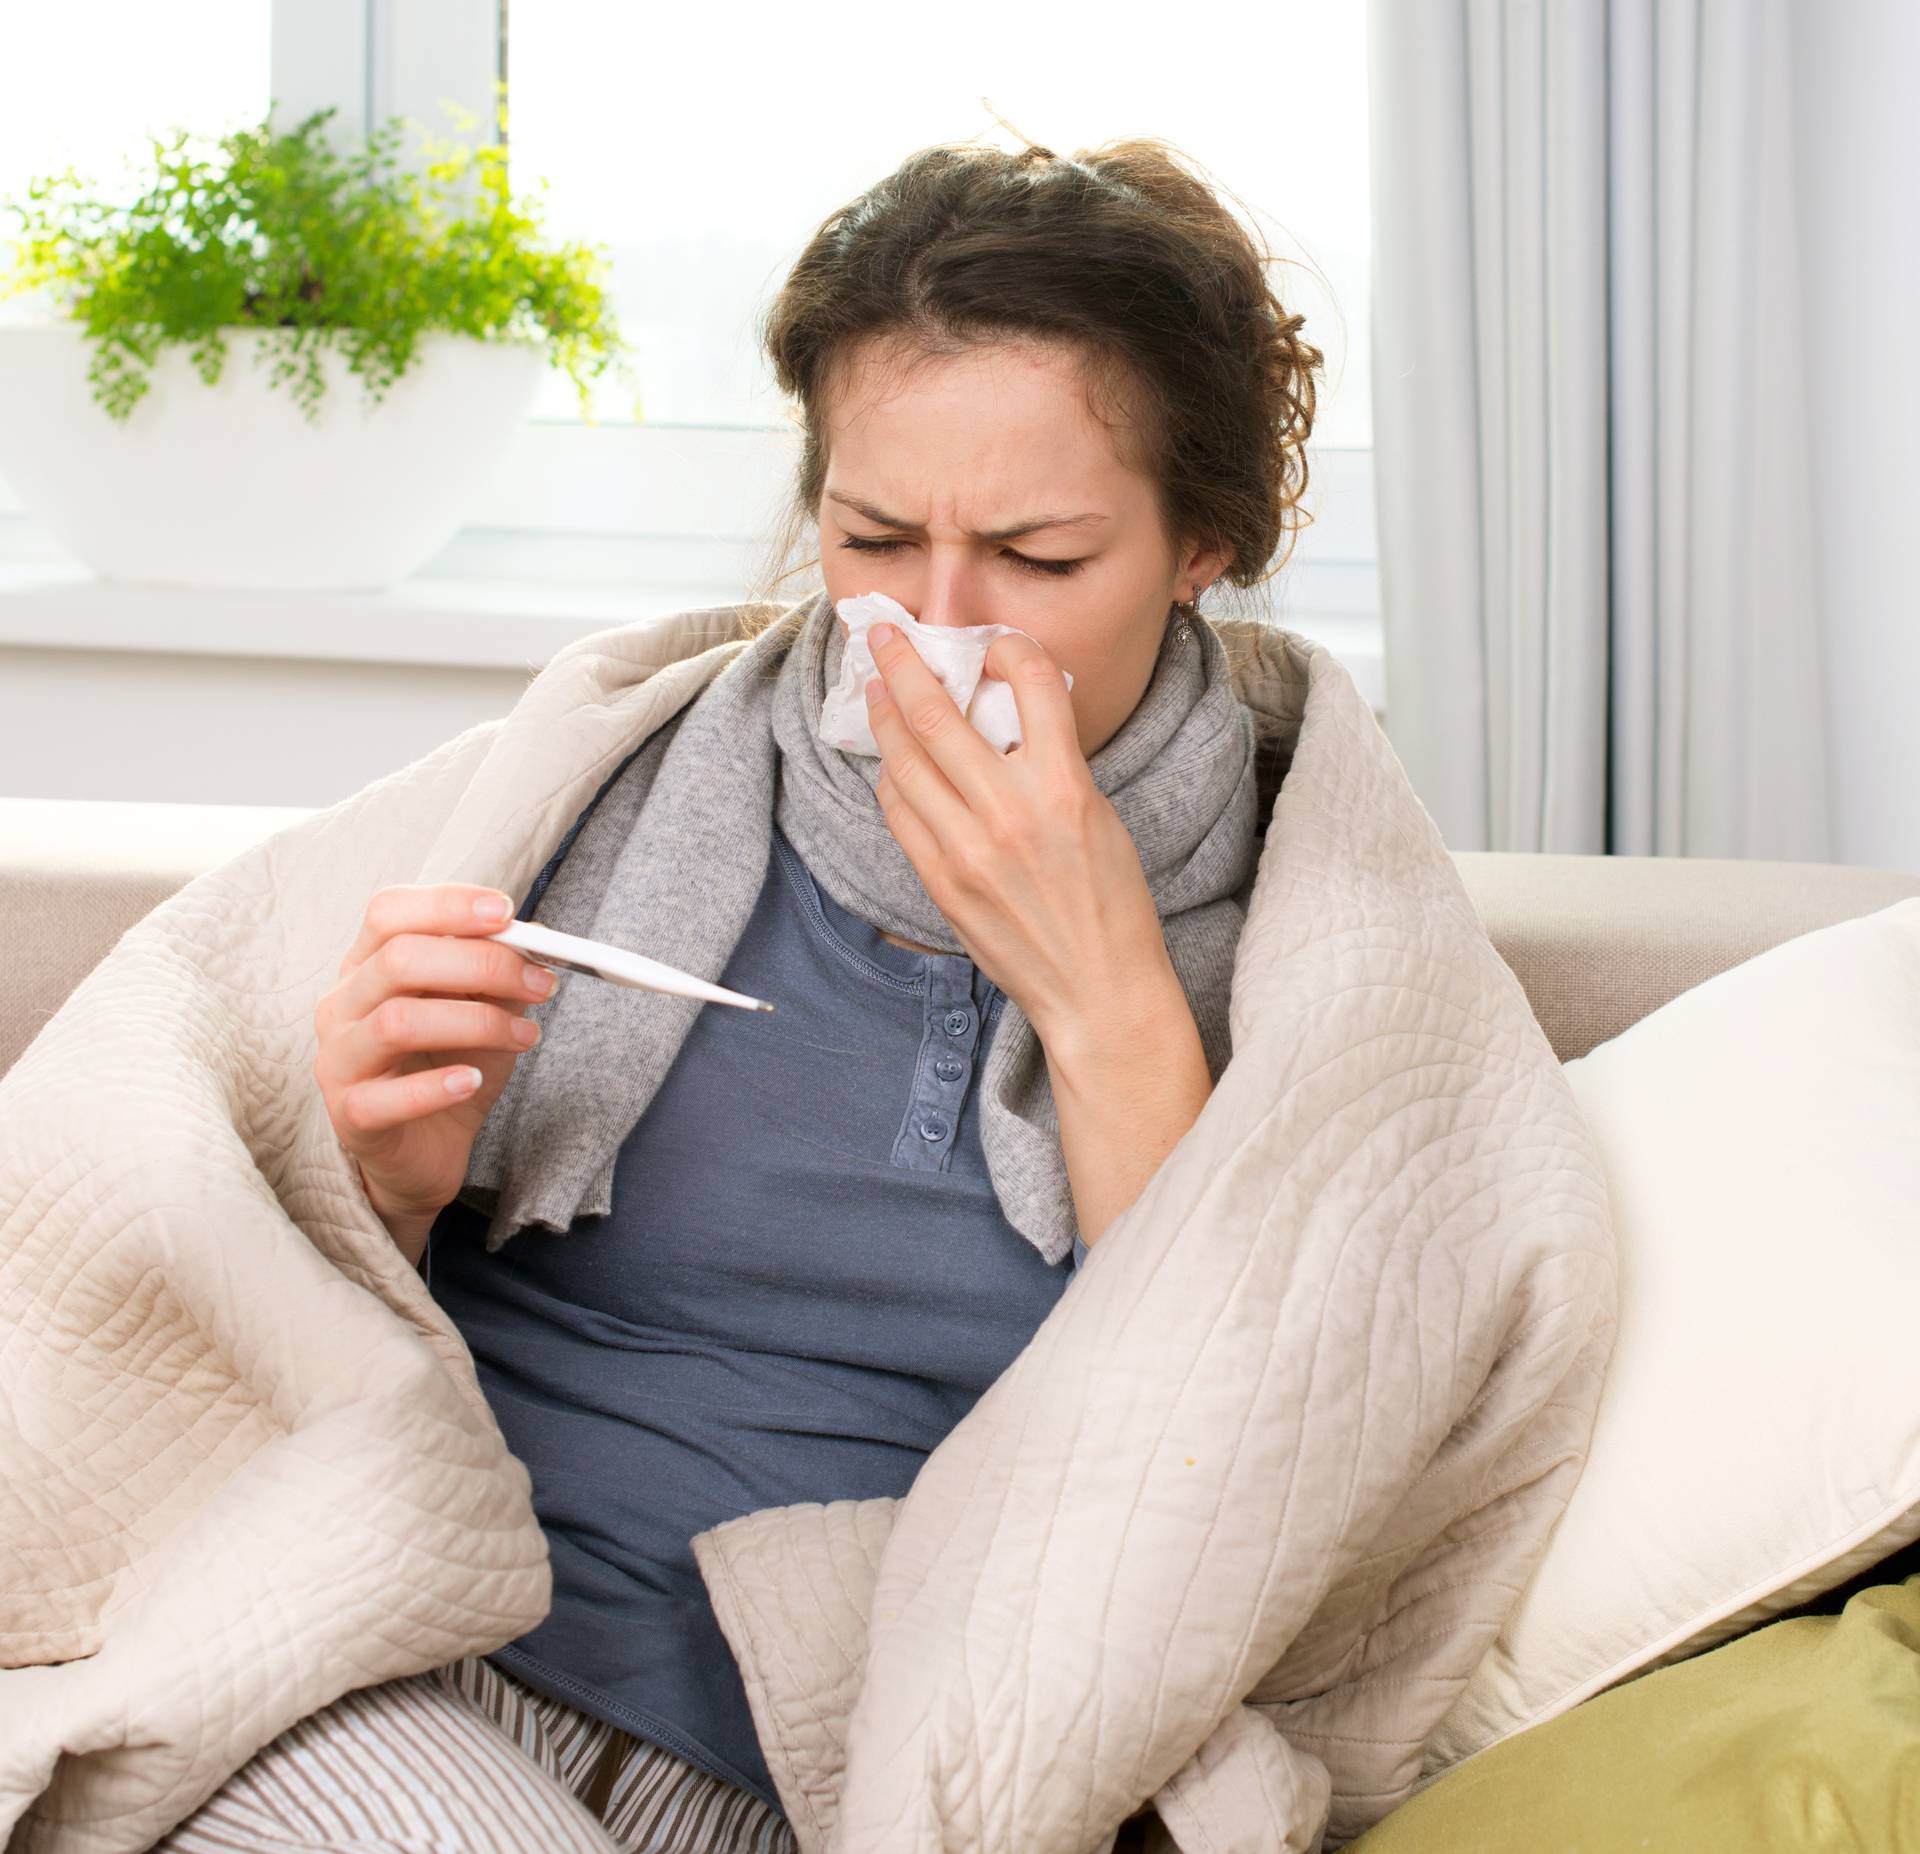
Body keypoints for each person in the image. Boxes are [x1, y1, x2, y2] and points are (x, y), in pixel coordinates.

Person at [155, 131, 1322, 1854]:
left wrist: (1106, 995)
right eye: (869, 537)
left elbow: (1217, 1474)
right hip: (392, 1649)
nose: (928, 627)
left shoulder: (1300, 929)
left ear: (1205, 542)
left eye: (1040, 558)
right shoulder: (610, 782)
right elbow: (219, 1321)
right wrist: (379, 1175)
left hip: (834, 1749)